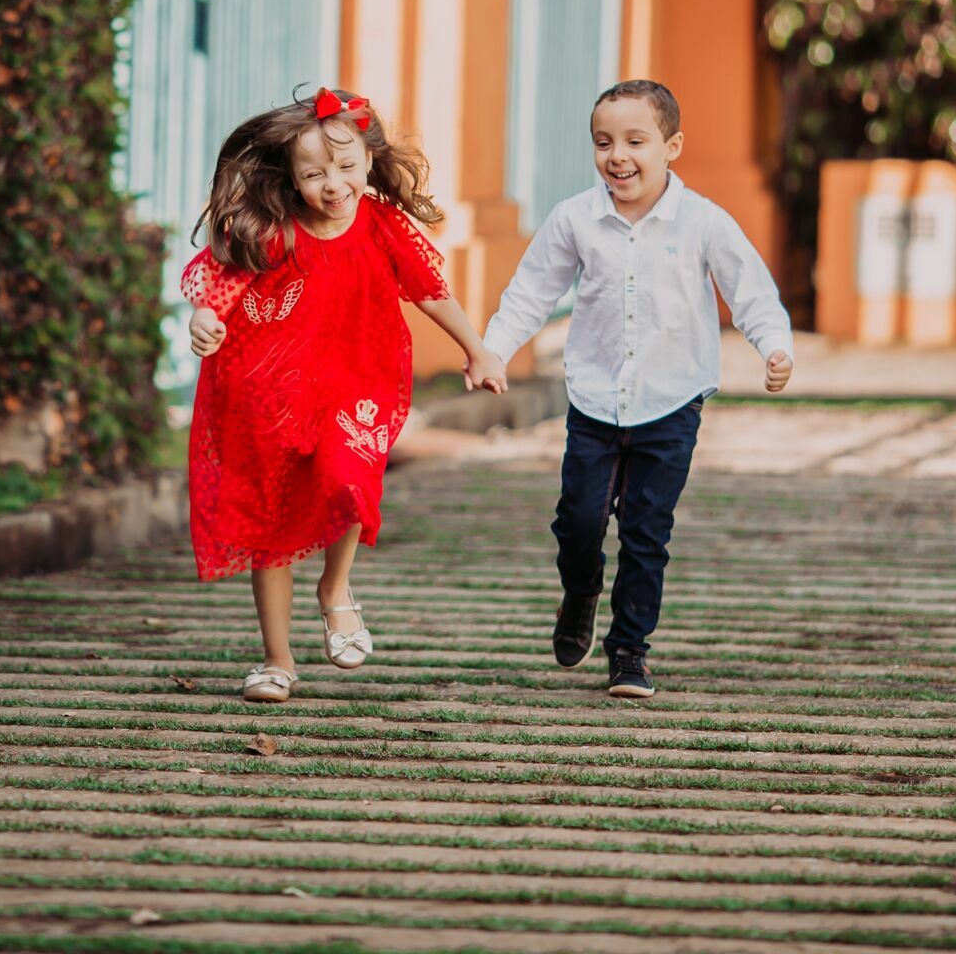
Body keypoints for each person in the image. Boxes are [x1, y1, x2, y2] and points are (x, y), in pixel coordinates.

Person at [183, 87, 507, 703]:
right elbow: (221, 282)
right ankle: (277, 661)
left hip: (358, 384)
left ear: (368, 159)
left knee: (349, 481)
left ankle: (334, 587)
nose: (333, 184)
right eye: (313, 173)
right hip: (272, 395)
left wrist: (476, 347)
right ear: (291, 177)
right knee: (271, 527)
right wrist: (205, 317)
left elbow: (429, 288)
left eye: (346, 167)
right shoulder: (273, 229)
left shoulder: (383, 226)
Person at [482, 79, 793, 699]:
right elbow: (532, 289)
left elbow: (750, 287)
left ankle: (629, 651)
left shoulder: (705, 221)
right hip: (596, 400)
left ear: (672, 145)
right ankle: (581, 591)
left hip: (672, 400)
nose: (616, 155)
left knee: (647, 530)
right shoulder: (575, 218)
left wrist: (774, 345)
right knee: (578, 522)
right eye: (603, 142)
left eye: (634, 141)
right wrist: (493, 348)